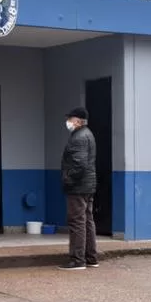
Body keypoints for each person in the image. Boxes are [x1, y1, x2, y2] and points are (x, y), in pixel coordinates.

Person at [60, 106, 98, 270]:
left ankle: (77, 260)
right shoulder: (88, 134)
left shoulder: (78, 137)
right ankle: (91, 258)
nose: (67, 122)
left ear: (77, 121)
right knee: (87, 220)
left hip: (78, 186)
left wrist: (68, 178)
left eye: (70, 119)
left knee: (77, 222)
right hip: (88, 185)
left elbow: (80, 164)